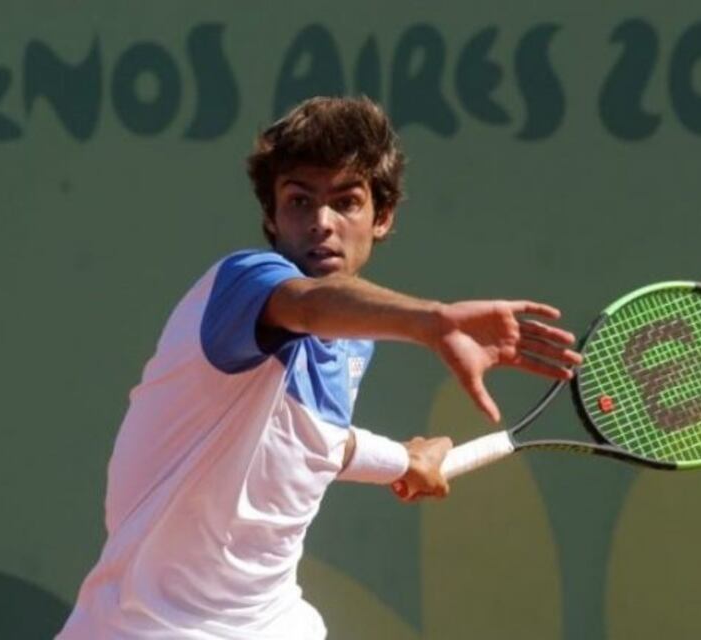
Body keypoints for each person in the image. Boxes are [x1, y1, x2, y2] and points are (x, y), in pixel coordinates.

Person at [57, 96, 581, 639]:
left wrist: (400, 459)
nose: (321, 223)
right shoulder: (243, 286)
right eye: (299, 201)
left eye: (346, 202)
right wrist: (433, 321)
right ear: (271, 216)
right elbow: (307, 305)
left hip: (271, 623)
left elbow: (310, 440)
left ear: (383, 216)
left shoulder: (352, 339)